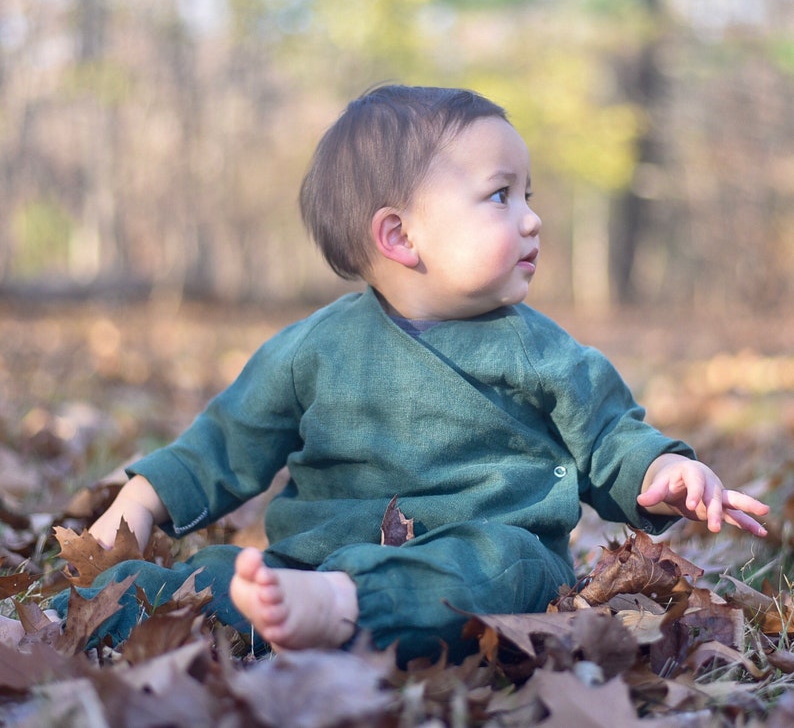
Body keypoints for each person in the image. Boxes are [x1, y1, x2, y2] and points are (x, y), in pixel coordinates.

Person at [42, 86, 770, 662]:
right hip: (314, 560)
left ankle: (342, 610)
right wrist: (142, 499)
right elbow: (227, 439)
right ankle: (130, 612)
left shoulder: (543, 349)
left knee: (509, 565)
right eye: (501, 195)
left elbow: (610, 435)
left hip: (481, 560)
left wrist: (663, 470)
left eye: (529, 196)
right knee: (216, 575)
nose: (532, 220)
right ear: (399, 235)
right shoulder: (315, 349)